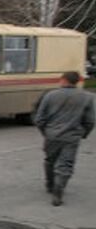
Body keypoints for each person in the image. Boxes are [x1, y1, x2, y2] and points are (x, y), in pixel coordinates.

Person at [34, 71, 95, 206]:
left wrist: (45, 132)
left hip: (52, 135)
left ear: (62, 80)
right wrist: (84, 133)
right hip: (72, 136)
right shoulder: (87, 97)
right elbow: (90, 120)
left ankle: (50, 184)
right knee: (66, 164)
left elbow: (39, 118)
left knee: (50, 160)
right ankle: (59, 189)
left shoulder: (50, 95)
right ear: (77, 81)